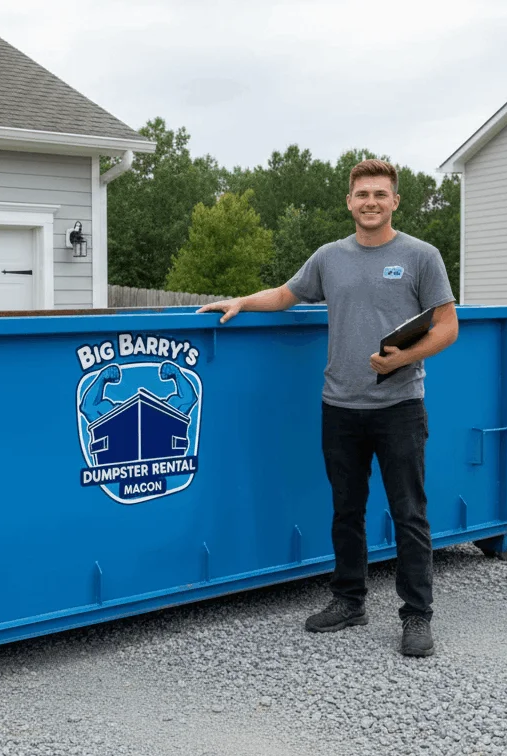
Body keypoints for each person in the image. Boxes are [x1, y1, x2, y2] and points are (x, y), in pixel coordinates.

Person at [197, 159, 457, 657]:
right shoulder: (329, 257)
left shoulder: (422, 256)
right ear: (349, 201)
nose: (370, 202)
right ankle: (349, 601)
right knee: (346, 510)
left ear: (395, 201)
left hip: (399, 406)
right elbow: (285, 295)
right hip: (339, 406)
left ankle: (417, 616)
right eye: (362, 194)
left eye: (379, 194)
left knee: (409, 513)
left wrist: (403, 358)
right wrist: (240, 301)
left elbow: (448, 326)